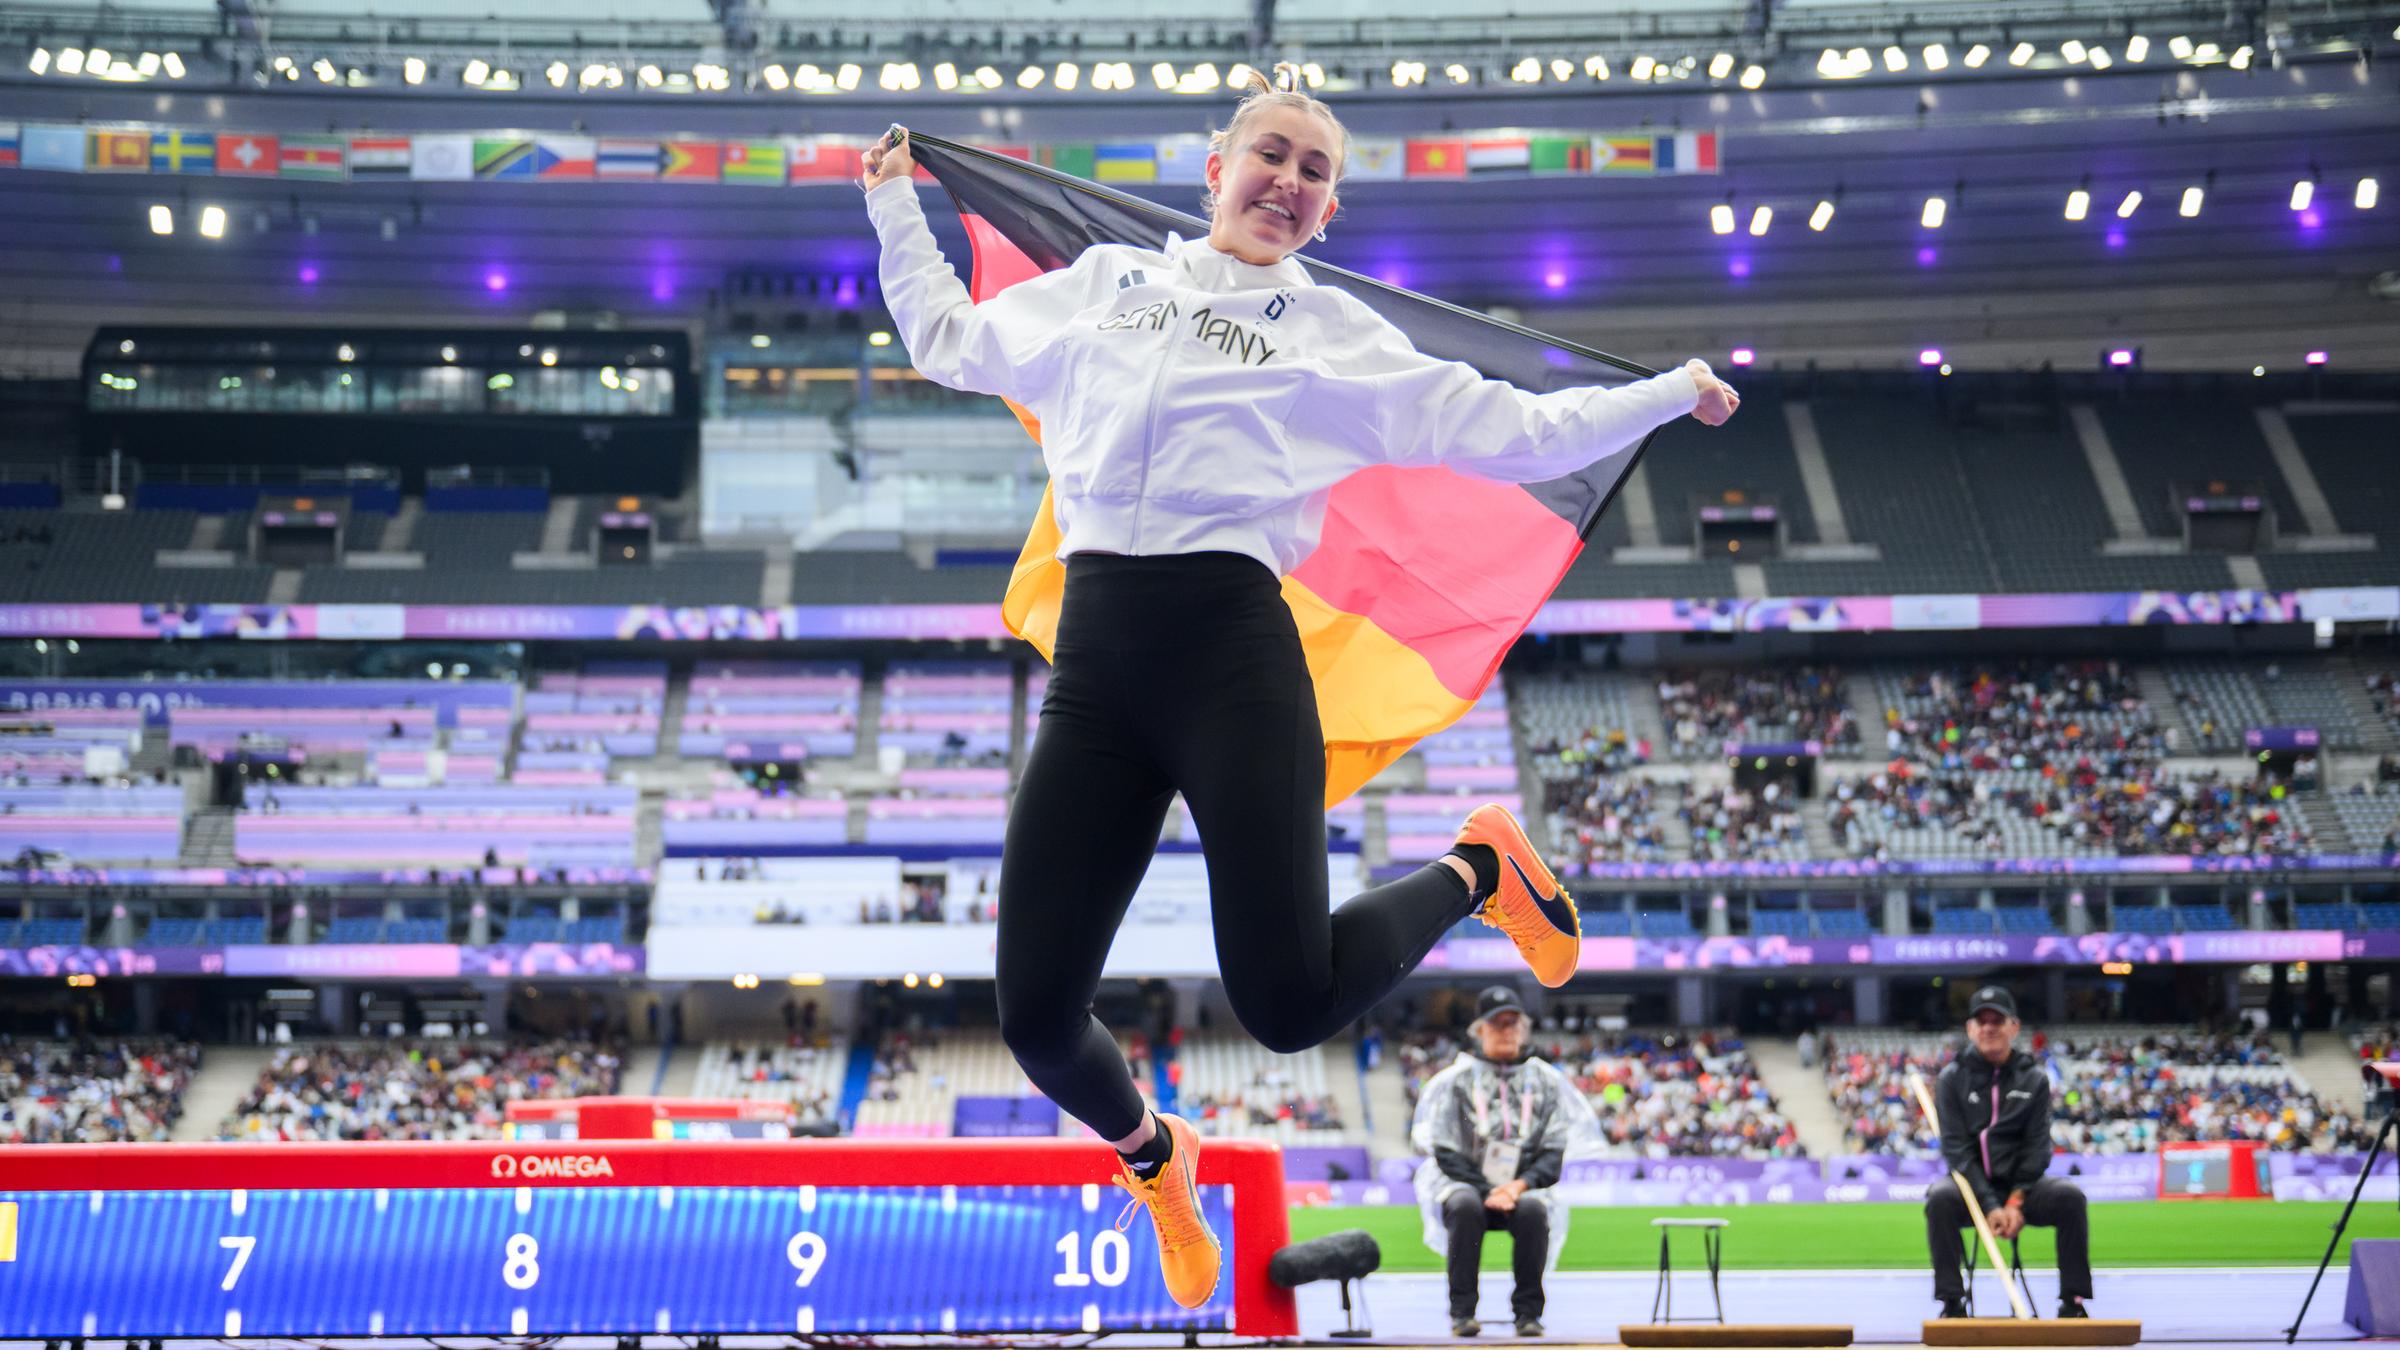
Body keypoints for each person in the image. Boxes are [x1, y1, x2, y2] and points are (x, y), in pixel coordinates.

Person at [861, 68, 1738, 1310]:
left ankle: (1480, 869)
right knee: (1039, 1023)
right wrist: (897, 207)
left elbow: (1522, 435)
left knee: (1286, 1004)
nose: (1290, 181)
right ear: (1215, 168)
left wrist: (1666, 391)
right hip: (1098, 668)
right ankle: (1154, 1158)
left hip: (1232, 656)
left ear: (1329, 216)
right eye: (1272, 155)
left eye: (1316, 173)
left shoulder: (1334, 337)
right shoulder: (1110, 286)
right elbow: (947, 342)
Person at [1410, 987, 1590, 1337]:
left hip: (1520, 1189)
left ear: (1523, 1029)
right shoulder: (1456, 1081)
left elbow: (1553, 1154)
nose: (1506, 1031)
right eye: (1497, 1024)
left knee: (1534, 1212)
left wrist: (1514, 1187)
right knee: (1463, 1207)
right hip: (1467, 1186)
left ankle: (1528, 1314)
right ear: (1480, 1030)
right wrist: (1488, 1190)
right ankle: (1462, 1313)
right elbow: (1445, 1150)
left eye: (1512, 1023)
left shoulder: (1545, 1081)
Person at [1926, 985, 2091, 1319]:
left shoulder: (2034, 1079)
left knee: (2070, 1197)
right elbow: (1957, 1152)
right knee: (1939, 1197)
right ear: (1970, 1029)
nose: (1988, 1028)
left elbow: (2037, 1147)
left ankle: (2072, 1302)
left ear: (2013, 1027)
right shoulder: (1951, 1079)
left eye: (1997, 1020)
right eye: (1981, 1021)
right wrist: (1989, 1205)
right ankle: (1952, 1302)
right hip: (1970, 1190)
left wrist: (2014, 1201)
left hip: (2023, 1190)